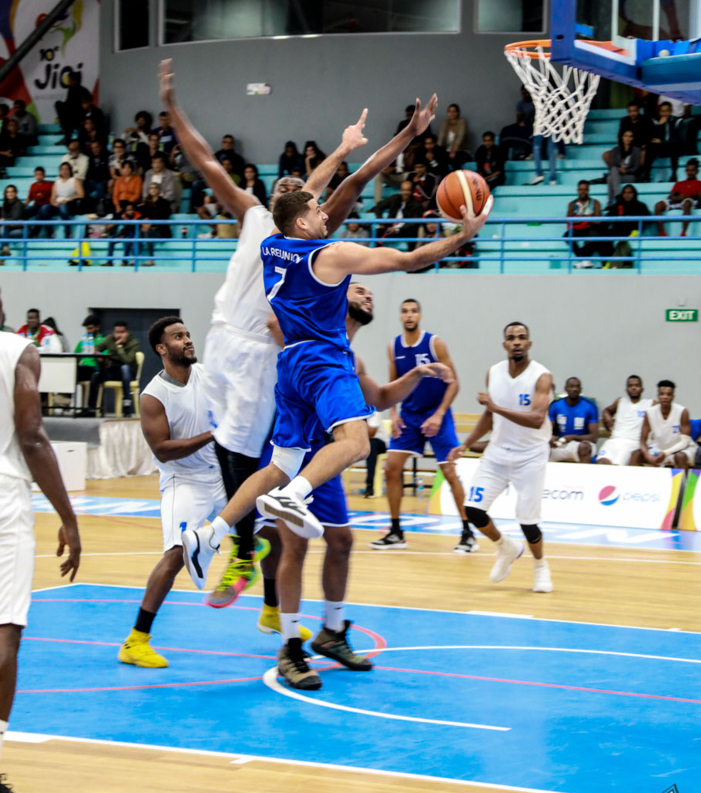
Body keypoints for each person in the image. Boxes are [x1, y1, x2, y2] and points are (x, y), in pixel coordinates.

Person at [160, 58, 439, 609]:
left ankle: (238, 544)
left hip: (272, 352)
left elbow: (343, 183)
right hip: (226, 344)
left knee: (263, 453)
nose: (301, 188)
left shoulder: (294, 235)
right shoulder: (259, 219)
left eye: (304, 186)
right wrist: (172, 109)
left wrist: (351, 148)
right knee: (247, 450)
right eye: (295, 187)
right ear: (285, 202)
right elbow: (208, 163)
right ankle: (249, 542)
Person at [181, 179, 492, 588]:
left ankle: (210, 534)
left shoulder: (271, 247)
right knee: (357, 442)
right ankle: (293, 496)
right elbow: (410, 259)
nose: (326, 213)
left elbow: (301, 204)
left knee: (281, 464)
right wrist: (463, 235)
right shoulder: (332, 255)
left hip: (290, 365)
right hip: (324, 361)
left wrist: (361, 150)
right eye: (317, 210)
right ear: (302, 223)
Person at [266, 283, 455, 690]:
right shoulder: (310, 333)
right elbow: (271, 322)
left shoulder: (351, 359)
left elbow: (382, 396)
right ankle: (290, 647)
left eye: (373, 291)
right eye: (360, 290)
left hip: (328, 459)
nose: (371, 295)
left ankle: (331, 632)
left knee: (342, 542)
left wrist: (418, 373)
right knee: (295, 546)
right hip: (294, 455)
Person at [0, 290, 81, 793]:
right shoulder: (17, 350)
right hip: (3, 506)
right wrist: (69, 517)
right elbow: (31, 436)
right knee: (4, 633)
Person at [118, 318, 226, 668]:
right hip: (184, 479)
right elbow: (162, 449)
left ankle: (273, 612)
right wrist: (214, 433)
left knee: (271, 532)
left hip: (220, 476)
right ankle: (136, 641)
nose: (188, 340)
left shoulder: (207, 374)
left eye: (188, 334)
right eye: (179, 337)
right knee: (176, 553)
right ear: (162, 349)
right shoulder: (153, 395)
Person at [448, 322, 554, 593]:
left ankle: (540, 566)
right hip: (498, 452)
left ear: (529, 344)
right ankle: (505, 548)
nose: (516, 342)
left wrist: (495, 407)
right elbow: (489, 416)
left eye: (522, 338)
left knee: (528, 521)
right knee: (472, 509)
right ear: (504, 344)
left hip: (531, 455)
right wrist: (466, 444)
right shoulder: (493, 373)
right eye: (511, 338)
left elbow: (537, 419)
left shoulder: (541, 376)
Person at [371, 297, 476, 554]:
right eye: (405, 311)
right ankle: (396, 532)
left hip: (436, 414)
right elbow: (393, 383)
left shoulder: (434, 343)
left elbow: (454, 382)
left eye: (414, 311)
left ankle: (467, 533)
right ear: (400, 317)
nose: (409, 315)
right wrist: (393, 414)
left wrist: (439, 414)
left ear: (419, 316)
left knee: (449, 472)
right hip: (409, 414)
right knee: (391, 469)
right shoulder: (393, 346)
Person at [84, 321, 140, 418]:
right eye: (117, 332)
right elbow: (97, 348)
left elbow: (127, 360)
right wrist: (98, 356)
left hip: (129, 373)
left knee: (124, 368)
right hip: (114, 371)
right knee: (96, 375)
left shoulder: (133, 343)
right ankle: (91, 408)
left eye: (122, 332)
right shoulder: (110, 339)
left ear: (127, 332)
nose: (119, 335)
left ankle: (126, 405)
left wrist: (119, 347)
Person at [638, 380, 696, 470]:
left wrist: (665, 453)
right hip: (660, 449)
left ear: (673, 397)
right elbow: (642, 441)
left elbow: (685, 442)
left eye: (668, 394)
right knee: (636, 454)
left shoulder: (682, 411)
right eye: (662, 394)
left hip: (681, 450)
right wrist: (647, 455)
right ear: (658, 396)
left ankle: (684, 484)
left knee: (679, 457)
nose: (665, 397)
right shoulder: (649, 412)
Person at [596, 375, 653, 466]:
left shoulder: (650, 404)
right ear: (626, 389)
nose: (633, 388)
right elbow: (607, 410)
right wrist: (607, 416)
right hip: (613, 441)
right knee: (602, 463)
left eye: (636, 385)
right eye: (630, 386)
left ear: (642, 389)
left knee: (618, 466)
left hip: (633, 443)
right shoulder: (620, 401)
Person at [548, 377, 598, 463]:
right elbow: (547, 429)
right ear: (566, 389)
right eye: (571, 386)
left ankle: (585, 476)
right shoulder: (556, 405)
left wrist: (573, 437)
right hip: (561, 444)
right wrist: (551, 437)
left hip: (581, 444)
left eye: (577, 387)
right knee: (541, 448)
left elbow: (594, 438)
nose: (574, 389)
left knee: (584, 447)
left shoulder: (589, 406)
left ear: (580, 389)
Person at [654, 158, 701, 237]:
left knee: (687, 202)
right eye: (688, 170)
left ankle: (683, 233)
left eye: (692, 170)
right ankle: (662, 233)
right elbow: (671, 195)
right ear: (685, 171)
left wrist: (685, 196)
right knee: (658, 205)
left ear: (697, 171)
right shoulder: (679, 183)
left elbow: (699, 197)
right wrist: (675, 198)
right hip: (678, 201)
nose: (690, 172)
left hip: (691, 202)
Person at [565, 180, 606, 268]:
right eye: (580, 189)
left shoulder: (595, 203)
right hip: (578, 229)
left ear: (588, 190)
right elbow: (569, 220)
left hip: (591, 228)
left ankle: (582, 260)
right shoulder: (572, 204)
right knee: (567, 235)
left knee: (597, 237)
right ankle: (585, 260)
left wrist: (579, 218)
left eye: (585, 189)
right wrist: (589, 217)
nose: (582, 191)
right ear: (577, 190)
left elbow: (598, 221)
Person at [37, 162, 84, 238]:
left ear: (70, 170)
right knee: (44, 208)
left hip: (70, 203)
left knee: (63, 207)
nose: (64, 171)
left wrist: (68, 199)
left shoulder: (74, 180)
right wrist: (54, 203)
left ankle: (68, 231)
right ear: (60, 171)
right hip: (58, 204)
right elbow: (52, 198)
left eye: (66, 169)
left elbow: (81, 194)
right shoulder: (57, 183)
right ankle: (50, 232)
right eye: (62, 169)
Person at [371, 179, 424, 245]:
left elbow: (414, 222)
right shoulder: (395, 198)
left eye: (407, 190)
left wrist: (397, 230)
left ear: (411, 191)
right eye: (403, 190)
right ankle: (378, 254)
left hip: (405, 230)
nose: (405, 193)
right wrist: (380, 221)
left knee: (412, 232)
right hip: (390, 228)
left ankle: (410, 254)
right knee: (377, 233)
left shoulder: (417, 205)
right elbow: (378, 206)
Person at [644, 101, 680, 181]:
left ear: (671, 111)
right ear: (659, 112)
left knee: (674, 148)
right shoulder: (655, 121)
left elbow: (680, 140)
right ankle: (647, 175)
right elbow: (652, 138)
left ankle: (674, 174)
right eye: (662, 111)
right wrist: (659, 125)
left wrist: (663, 142)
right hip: (660, 148)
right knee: (649, 147)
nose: (664, 114)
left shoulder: (678, 121)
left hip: (673, 147)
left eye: (666, 111)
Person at [605, 129, 642, 202]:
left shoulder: (636, 150)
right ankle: (616, 197)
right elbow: (612, 164)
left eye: (630, 136)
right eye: (626, 136)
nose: (628, 138)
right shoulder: (615, 150)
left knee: (610, 178)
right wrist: (620, 169)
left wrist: (626, 171)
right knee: (612, 173)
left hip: (630, 176)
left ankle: (612, 201)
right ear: (622, 137)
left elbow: (636, 167)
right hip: (617, 174)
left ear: (633, 138)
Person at [54, 70, 91, 143]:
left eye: (70, 80)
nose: (69, 82)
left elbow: (85, 106)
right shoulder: (71, 90)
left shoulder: (83, 91)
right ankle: (64, 129)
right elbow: (68, 102)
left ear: (75, 81)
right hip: (70, 113)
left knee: (69, 116)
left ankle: (67, 137)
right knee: (58, 104)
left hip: (79, 115)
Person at [437, 103, 470, 168]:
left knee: (456, 159)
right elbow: (441, 138)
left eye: (454, 111)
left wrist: (453, 151)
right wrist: (436, 150)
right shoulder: (445, 122)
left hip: (461, 150)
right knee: (439, 158)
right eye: (450, 111)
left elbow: (459, 138)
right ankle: (446, 177)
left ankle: (456, 177)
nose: (451, 113)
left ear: (458, 113)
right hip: (447, 151)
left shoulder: (462, 122)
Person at [74, 315, 104, 385]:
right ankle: (65, 394)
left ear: (97, 327)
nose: (88, 331)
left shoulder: (103, 341)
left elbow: (103, 361)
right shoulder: (83, 341)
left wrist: (95, 353)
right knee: (70, 370)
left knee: (80, 371)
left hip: (94, 369)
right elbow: (75, 355)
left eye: (90, 328)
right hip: (82, 368)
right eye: (87, 329)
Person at [0, 186, 24, 260]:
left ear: (15, 193)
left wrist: (5, 220)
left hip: (19, 230)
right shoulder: (4, 205)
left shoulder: (19, 204)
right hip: (7, 230)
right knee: (4, 230)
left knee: (3, 231)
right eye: (7, 192)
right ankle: (4, 250)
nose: (9, 194)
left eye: (11, 192)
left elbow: (15, 218)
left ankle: (2, 256)